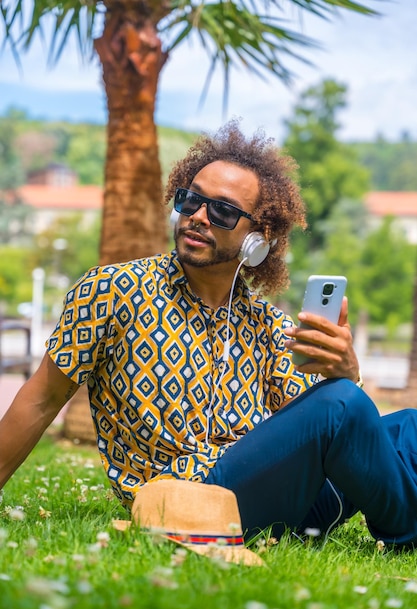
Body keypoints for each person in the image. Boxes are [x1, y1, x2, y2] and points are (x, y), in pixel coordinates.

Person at [1, 119, 417, 549]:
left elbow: (313, 427)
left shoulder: (268, 324)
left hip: (278, 500)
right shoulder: (114, 291)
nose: (198, 217)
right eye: (190, 200)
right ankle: (407, 530)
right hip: (188, 500)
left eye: (221, 210)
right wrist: (344, 394)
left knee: (409, 427)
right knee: (343, 404)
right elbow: (42, 397)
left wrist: (347, 372)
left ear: (259, 239)